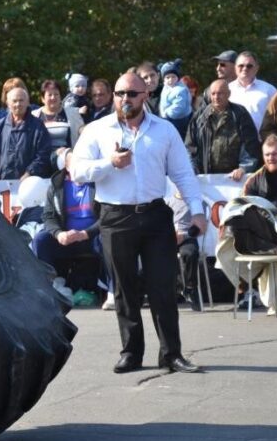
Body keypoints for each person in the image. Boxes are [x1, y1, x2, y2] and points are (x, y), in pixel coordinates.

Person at [72, 72, 206, 374]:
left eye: (132, 94)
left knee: (162, 285)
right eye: (120, 93)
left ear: (145, 95)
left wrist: (197, 210)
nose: (125, 99)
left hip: (155, 214)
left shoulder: (164, 130)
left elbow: (183, 174)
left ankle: (171, 353)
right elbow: (78, 171)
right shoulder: (97, 130)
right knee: (124, 287)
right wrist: (110, 163)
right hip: (115, 216)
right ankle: (131, 352)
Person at [216, 135, 277, 315]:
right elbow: (242, 207)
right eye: (266, 155)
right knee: (237, 218)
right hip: (263, 233)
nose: (270, 158)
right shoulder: (255, 179)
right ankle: (249, 281)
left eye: (275, 154)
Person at [31, 149, 103, 300]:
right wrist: (59, 233)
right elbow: (48, 216)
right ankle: (50, 287)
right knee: (41, 240)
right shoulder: (56, 186)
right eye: (76, 164)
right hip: (66, 238)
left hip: (93, 236)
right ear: (67, 167)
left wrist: (86, 233)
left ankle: (110, 288)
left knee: (109, 238)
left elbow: (107, 216)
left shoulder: (99, 184)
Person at [185, 79, 260, 180]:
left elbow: (250, 146)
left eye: (220, 93)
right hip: (205, 179)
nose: (216, 97)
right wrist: (192, 170)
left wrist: (243, 169)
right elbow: (189, 147)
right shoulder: (199, 117)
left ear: (229, 94)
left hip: (234, 180)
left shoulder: (240, 114)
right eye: (213, 93)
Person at [0, 87, 52, 180]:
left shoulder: (38, 126)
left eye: (21, 100)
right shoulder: (0, 127)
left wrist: (30, 172)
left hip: (30, 184)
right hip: (3, 184)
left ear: (28, 102)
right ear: (8, 103)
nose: (18, 104)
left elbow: (43, 154)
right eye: (14, 101)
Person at [165, 191, 201, 311]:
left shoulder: (196, 202)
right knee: (157, 256)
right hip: (169, 238)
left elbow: (200, 227)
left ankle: (190, 288)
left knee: (190, 254)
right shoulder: (168, 202)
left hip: (188, 238)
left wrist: (183, 236)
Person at [228, 51, 277, 131]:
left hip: (261, 141)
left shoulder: (269, 90)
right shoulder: (227, 89)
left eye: (249, 66)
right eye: (241, 65)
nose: (245, 68)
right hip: (234, 141)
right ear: (235, 68)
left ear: (257, 68)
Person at [32, 80, 73, 159]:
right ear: (42, 98)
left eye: (56, 94)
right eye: (49, 95)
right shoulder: (34, 115)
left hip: (66, 159)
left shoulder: (72, 114)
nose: (53, 97)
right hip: (40, 159)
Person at [158, 59, 192, 138]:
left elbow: (179, 106)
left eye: (173, 77)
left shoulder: (180, 90)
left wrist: (167, 114)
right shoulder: (167, 88)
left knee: (177, 136)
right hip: (167, 117)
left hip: (178, 119)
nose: (171, 80)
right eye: (167, 77)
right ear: (164, 79)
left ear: (178, 78)